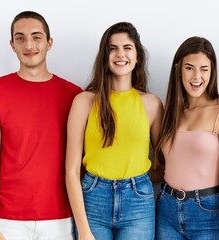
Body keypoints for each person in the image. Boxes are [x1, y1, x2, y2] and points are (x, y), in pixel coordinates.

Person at [0, 11, 82, 240]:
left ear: (49, 43)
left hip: (60, 217)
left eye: (36, 37)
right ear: (12, 45)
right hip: (6, 220)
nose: (28, 44)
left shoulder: (75, 96)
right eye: (20, 38)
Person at [65, 22, 163, 240]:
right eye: (113, 48)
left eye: (127, 48)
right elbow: (71, 172)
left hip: (138, 202)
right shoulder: (84, 102)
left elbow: (164, 162)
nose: (120, 54)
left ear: (137, 56)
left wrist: (140, 178)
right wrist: (83, 230)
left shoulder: (152, 104)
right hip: (93, 199)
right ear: (104, 56)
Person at [154, 36, 219, 240]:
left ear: (212, 72)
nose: (197, 76)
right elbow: (161, 167)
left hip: (207, 212)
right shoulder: (169, 112)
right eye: (189, 68)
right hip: (166, 208)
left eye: (204, 69)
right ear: (178, 69)